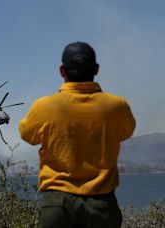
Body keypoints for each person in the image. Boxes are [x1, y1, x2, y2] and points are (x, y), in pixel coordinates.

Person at [19, 41, 135, 228]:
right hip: (101, 204)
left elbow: (27, 135)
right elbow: (126, 131)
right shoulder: (117, 105)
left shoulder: (44, 106)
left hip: (58, 204)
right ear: (96, 69)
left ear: (62, 71)